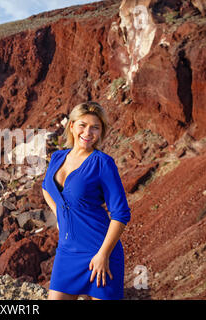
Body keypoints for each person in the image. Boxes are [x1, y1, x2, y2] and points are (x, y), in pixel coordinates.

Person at [41, 101, 131, 300]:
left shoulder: (103, 163)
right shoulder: (57, 158)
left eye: (95, 127)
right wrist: (59, 214)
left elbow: (121, 213)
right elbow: (46, 188)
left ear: (101, 132)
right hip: (66, 252)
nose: (88, 132)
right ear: (71, 126)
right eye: (82, 125)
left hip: (99, 252)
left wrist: (103, 255)